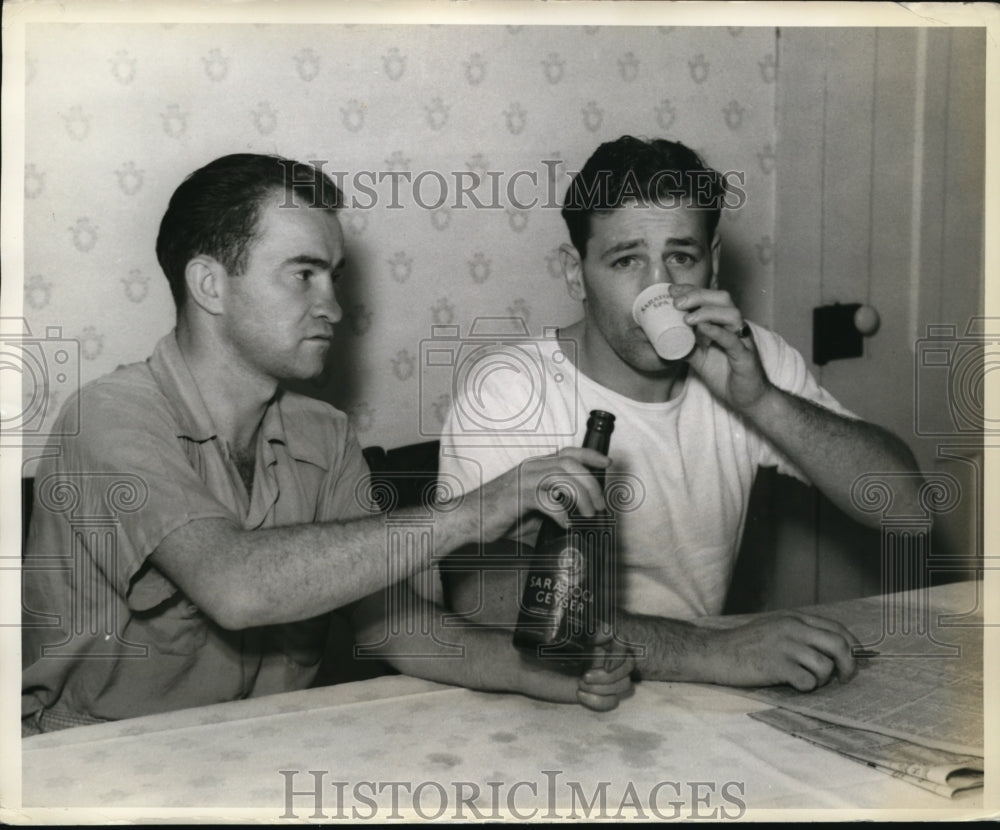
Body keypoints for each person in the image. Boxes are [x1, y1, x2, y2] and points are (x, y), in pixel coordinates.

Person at [21, 153, 633, 734]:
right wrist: (474, 512)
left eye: (333, 277)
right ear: (210, 284)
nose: (334, 307)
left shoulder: (327, 433)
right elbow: (237, 587)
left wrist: (561, 676)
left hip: (260, 757)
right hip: (98, 760)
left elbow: (405, 633)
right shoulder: (107, 420)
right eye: (303, 275)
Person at [437, 136, 924, 692]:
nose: (658, 288)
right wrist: (709, 650)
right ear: (576, 273)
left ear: (712, 263)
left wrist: (761, 401)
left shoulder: (749, 359)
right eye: (626, 260)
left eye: (681, 257)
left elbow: (908, 508)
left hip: (697, 691)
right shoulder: (507, 389)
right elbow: (481, 601)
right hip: (557, 692)